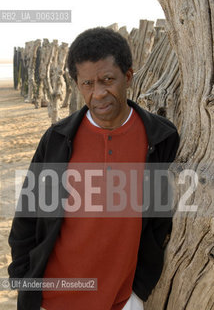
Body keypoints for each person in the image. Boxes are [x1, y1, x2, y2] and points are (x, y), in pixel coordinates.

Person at [8, 27, 179, 310]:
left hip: (123, 301)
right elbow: (26, 218)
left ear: (128, 76)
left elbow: (161, 224)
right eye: (87, 83)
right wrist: (24, 287)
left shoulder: (160, 139)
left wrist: (138, 293)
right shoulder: (58, 139)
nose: (98, 93)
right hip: (53, 301)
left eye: (107, 80)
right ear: (77, 84)